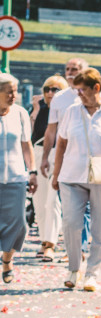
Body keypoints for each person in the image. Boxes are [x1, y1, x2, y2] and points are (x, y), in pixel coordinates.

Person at [51, 68, 101, 292]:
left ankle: (92, 273)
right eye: (76, 91)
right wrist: (56, 175)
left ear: (96, 88)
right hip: (72, 175)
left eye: (82, 90)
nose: (78, 95)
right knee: (71, 224)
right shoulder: (72, 112)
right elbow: (61, 145)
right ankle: (74, 268)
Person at [0, 74, 38, 284]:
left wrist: (32, 171)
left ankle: (7, 259)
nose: (13, 95)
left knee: (19, 225)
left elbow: (26, 145)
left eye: (15, 91)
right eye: (9, 91)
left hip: (15, 177)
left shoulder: (20, 113)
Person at [30, 75, 66, 262]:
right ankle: (44, 241)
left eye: (55, 90)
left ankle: (51, 243)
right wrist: (36, 108)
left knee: (53, 202)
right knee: (40, 201)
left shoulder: (66, 109)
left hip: (57, 154)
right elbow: (31, 132)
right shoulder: (40, 109)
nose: (50, 93)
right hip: (38, 152)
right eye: (47, 89)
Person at [40, 58, 87, 180]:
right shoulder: (59, 97)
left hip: (87, 157)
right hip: (63, 156)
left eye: (74, 69)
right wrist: (45, 157)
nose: (70, 73)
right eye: (67, 69)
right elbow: (51, 130)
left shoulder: (94, 95)